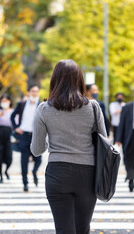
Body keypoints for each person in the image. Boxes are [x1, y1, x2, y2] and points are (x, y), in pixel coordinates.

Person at [31, 59, 106, 234]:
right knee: (82, 228)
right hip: (87, 174)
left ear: (54, 80)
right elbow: (103, 140)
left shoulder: (43, 109)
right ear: (79, 79)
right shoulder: (93, 107)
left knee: (63, 229)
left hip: (58, 173)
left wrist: (55, 141)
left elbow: (36, 150)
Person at [11, 84, 42, 192]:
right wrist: (16, 128)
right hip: (24, 135)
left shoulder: (41, 105)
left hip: (36, 136)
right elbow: (12, 116)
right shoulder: (22, 104)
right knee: (24, 161)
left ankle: (34, 172)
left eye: (37, 91)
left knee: (38, 159)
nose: (35, 93)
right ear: (28, 92)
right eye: (33, 91)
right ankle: (25, 183)